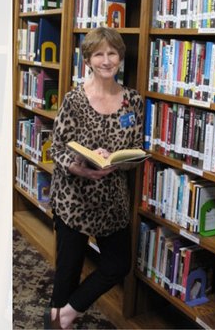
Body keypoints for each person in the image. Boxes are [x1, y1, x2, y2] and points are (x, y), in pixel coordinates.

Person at [44, 27, 143, 329]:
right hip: (74, 199)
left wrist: (120, 162)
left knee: (118, 265)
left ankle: (69, 313)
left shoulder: (133, 102)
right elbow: (56, 148)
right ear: (88, 59)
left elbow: (135, 149)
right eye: (99, 54)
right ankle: (58, 321)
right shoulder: (75, 99)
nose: (106, 60)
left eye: (112, 53)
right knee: (67, 275)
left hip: (112, 200)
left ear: (120, 57)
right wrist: (78, 165)